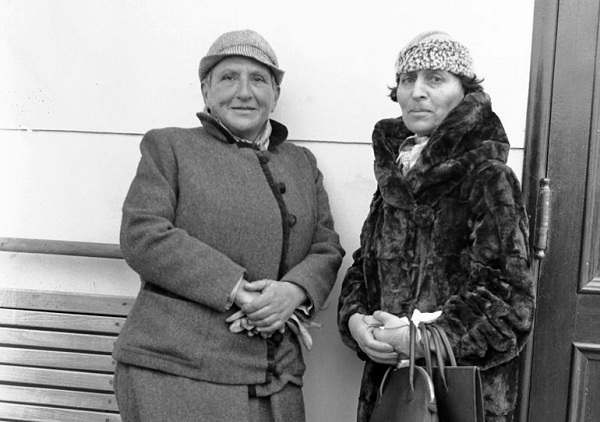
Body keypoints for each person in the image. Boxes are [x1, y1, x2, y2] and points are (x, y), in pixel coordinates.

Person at [113, 29, 344, 422]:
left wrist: (293, 292)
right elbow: (143, 232)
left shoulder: (301, 162)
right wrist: (236, 289)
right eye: (228, 78)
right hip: (175, 371)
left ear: (276, 94)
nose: (244, 92)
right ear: (206, 90)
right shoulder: (169, 147)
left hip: (277, 374)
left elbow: (326, 247)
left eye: (259, 80)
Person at [337, 30, 535, 422]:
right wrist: (356, 321)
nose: (417, 92)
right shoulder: (397, 174)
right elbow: (365, 266)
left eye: (435, 78)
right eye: (408, 79)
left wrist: (422, 340)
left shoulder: (488, 176)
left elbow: (510, 304)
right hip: (390, 390)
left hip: (458, 394)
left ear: (465, 91)